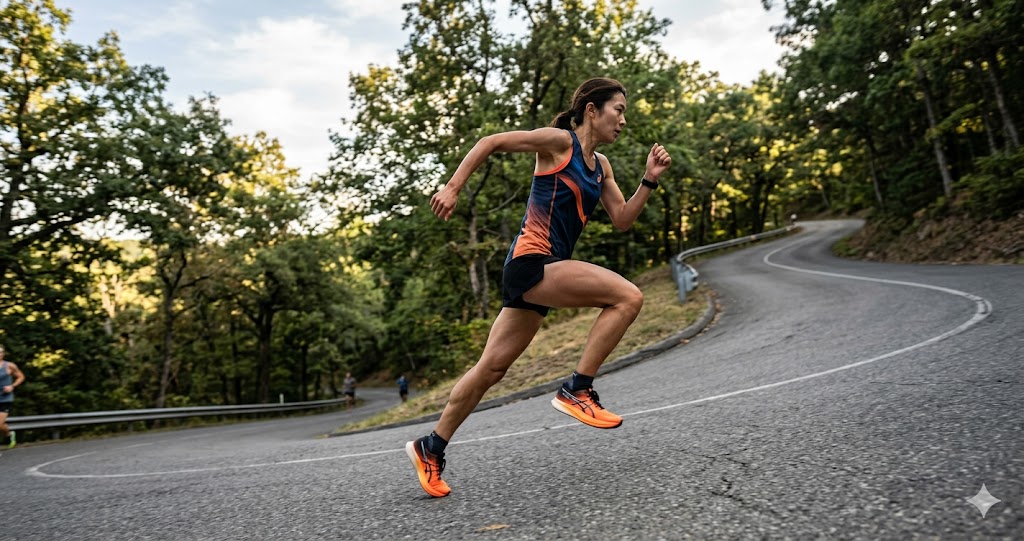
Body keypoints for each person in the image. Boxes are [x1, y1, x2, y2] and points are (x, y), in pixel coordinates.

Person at [406, 77, 672, 497]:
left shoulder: (601, 166)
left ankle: (430, 447)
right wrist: (452, 187)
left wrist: (649, 179)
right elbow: (491, 141)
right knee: (627, 296)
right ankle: (577, 389)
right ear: (592, 110)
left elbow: (622, 219)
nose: (623, 120)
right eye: (618, 110)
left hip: (541, 272)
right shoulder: (559, 143)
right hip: (533, 262)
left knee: (491, 369)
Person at [0, 345, 26, 449]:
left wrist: (12, 386)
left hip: (4, 398)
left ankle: (9, 434)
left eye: (1, 352)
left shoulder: (9, 365)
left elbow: (21, 377)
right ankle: (8, 434)